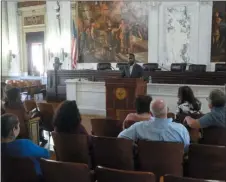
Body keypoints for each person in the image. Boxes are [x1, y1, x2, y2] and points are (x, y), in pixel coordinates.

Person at [118, 99, 190, 151]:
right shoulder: (181, 129)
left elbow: (120, 138)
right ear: (167, 110)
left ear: (151, 113)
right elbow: (186, 149)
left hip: (144, 169)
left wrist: (135, 147)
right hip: (173, 170)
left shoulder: (138, 127)